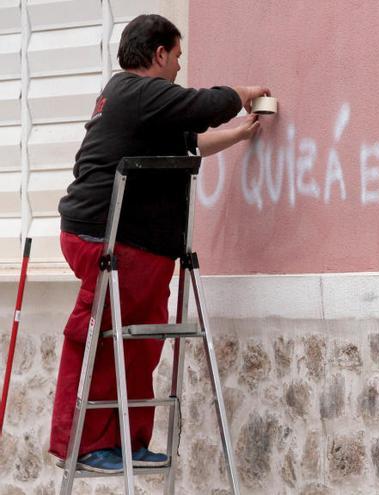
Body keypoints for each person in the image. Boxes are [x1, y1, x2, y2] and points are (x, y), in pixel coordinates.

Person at [50, 13, 270, 473]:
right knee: (107, 339)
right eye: (177, 58)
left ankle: (130, 440)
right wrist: (246, 94)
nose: (177, 69)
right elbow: (202, 106)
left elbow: (189, 141)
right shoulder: (139, 92)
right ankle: (88, 445)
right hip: (108, 240)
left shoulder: (135, 102)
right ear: (160, 53)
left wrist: (239, 135)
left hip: (131, 244)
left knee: (141, 342)